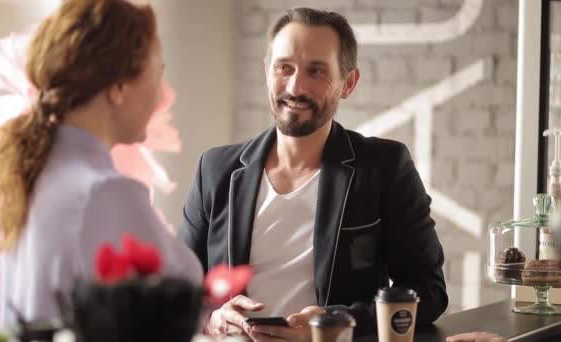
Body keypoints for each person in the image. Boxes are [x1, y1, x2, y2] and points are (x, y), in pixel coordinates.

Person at [178, 6, 448, 340]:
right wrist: (213, 317)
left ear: (348, 83)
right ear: (267, 71)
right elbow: (178, 291)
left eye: (316, 71)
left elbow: (428, 292)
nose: (295, 87)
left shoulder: (384, 167)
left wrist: (333, 325)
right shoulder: (215, 169)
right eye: (284, 68)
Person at [0, 0, 202, 330]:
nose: (161, 96)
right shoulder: (105, 193)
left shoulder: (27, 172)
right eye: (158, 74)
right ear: (119, 87)